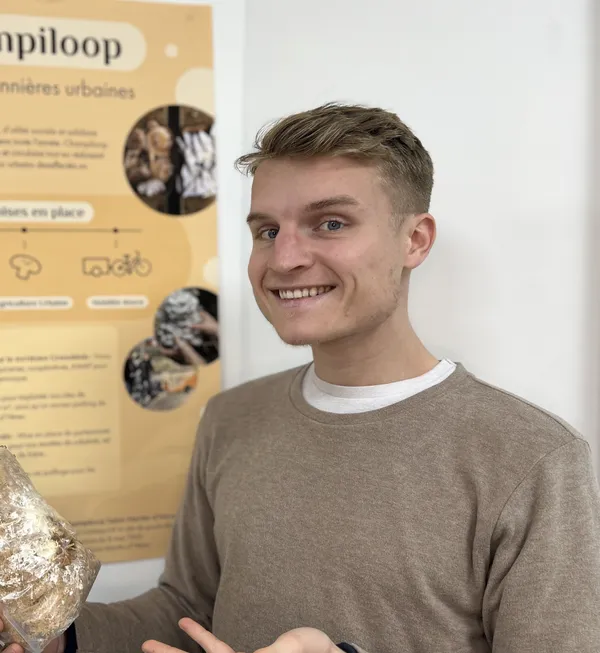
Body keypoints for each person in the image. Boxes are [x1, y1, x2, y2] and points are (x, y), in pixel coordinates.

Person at [3, 103, 600, 653]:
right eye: (266, 231)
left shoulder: (531, 459)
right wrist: (55, 638)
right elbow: (188, 609)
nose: (284, 259)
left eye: (331, 224)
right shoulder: (231, 418)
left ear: (414, 241)